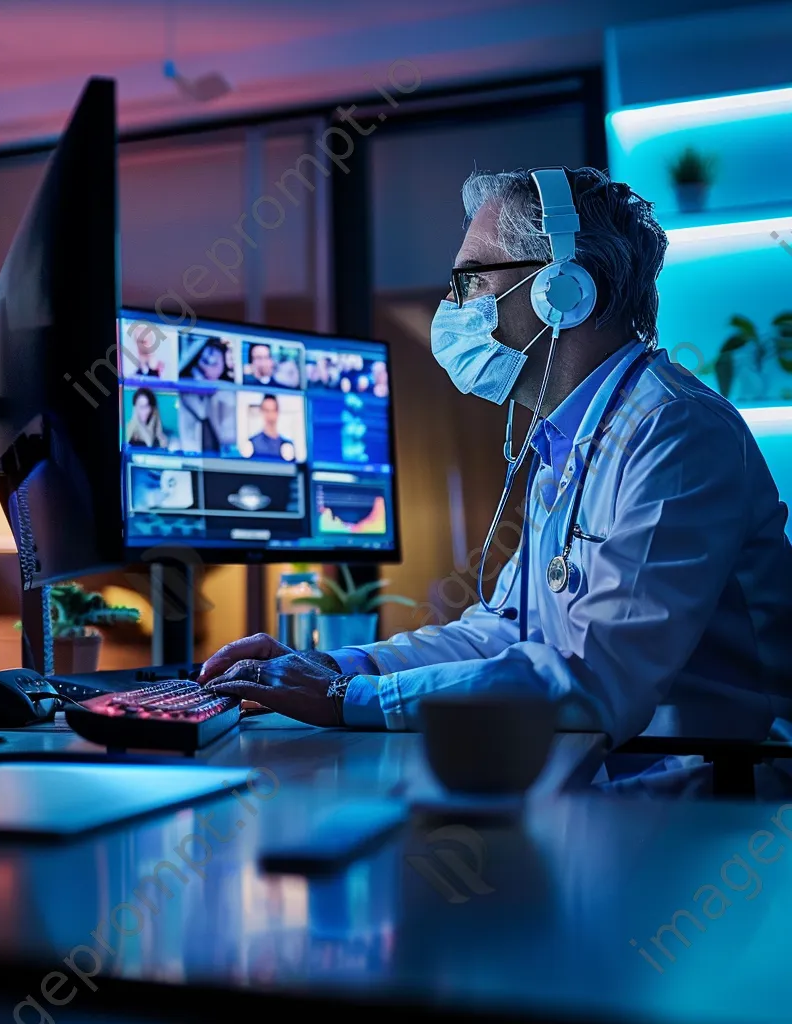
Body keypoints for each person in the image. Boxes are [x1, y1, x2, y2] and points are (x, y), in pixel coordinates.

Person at [198, 165, 792, 799]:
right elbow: (506, 629)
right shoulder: (569, 436)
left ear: (564, 290)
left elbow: (596, 679)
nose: (453, 306)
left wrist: (349, 697)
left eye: (472, 279)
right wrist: (341, 666)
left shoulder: (674, 430)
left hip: (715, 788)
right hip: (613, 768)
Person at [246, 394, 294, 460]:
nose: (270, 415)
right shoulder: (252, 444)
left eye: (273, 410)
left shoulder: (287, 446)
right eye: (266, 411)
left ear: (277, 412)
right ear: (261, 411)